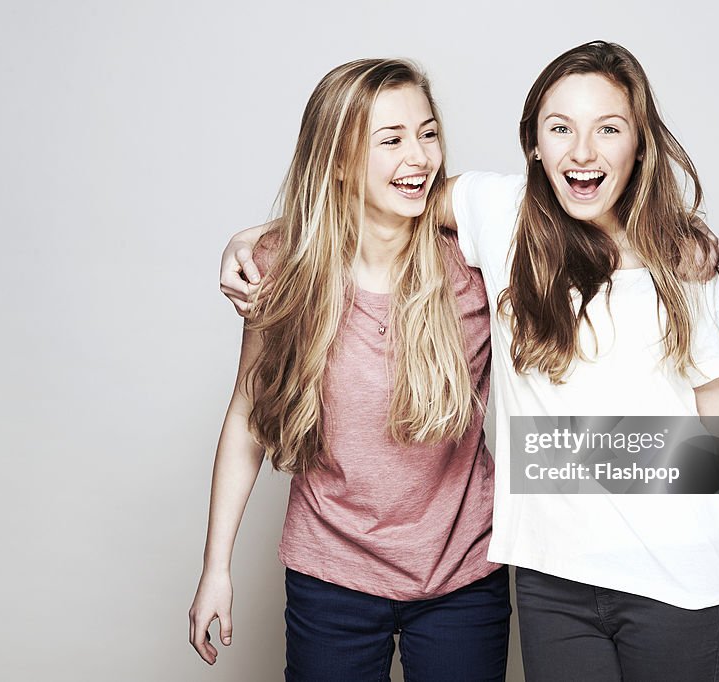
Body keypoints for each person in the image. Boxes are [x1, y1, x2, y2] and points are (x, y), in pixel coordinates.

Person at [223, 42, 719, 682]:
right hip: (553, 589)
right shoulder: (500, 216)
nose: (583, 151)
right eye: (560, 128)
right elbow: (356, 201)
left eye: (609, 128)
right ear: (534, 145)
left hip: (681, 589)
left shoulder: (691, 271)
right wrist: (255, 243)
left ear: (641, 143)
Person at [189, 58, 509, 682]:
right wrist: (216, 568)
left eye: (427, 133)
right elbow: (248, 419)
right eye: (390, 140)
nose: (418, 156)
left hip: (462, 578)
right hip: (329, 576)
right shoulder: (280, 268)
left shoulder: (472, 265)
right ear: (337, 159)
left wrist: (681, 245)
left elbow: (573, 223)